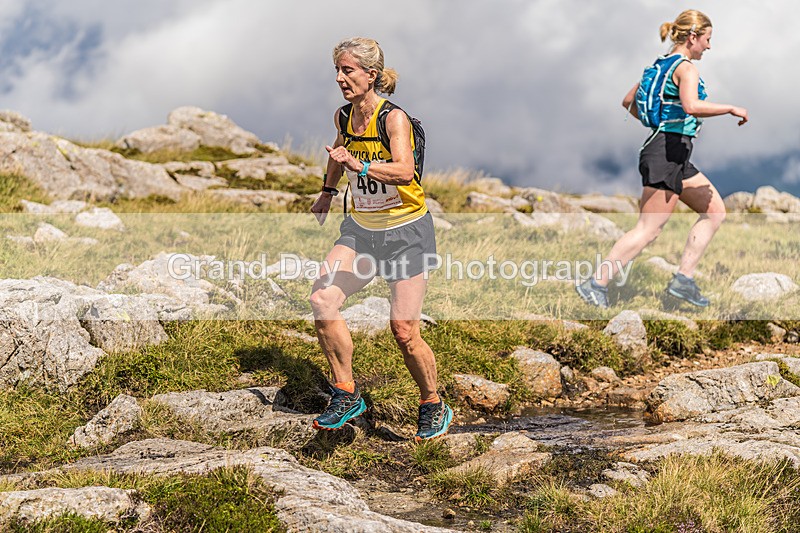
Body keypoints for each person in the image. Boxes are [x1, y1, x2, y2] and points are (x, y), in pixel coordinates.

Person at [309, 37, 452, 441]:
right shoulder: (343, 116)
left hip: (407, 233)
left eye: (348, 71)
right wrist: (327, 191)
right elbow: (339, 150)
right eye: (337, 71)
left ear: (371, 75)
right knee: (322, 299)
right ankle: (345, 392)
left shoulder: (394, 119)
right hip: (362, 231)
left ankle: (432, 402)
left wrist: (361, 164)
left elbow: (405, 171)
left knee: (404, 331)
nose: (340, 78)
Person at [576, 9, 748, 309]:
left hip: (672, 152)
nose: (708, 46)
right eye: (707, 39)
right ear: (693, 37)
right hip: (666, 153)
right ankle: (595, 284)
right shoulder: (686, 68)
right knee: (649, 229)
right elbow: (691, 105)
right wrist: (730, 108)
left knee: (715, 211)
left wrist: (656, 123)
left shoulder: (658, 66)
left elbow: (628, 101)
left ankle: (683, 281)